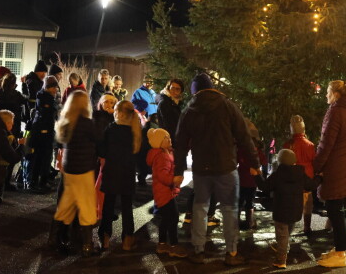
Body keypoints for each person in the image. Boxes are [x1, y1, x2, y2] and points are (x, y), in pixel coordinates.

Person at [173, 72, 259, 266]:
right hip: (226, 166)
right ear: (212, 86)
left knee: (200, 208)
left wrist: (178, 171)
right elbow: (244, 137)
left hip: (201, 169)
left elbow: (180, 143)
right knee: (229, 210)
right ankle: (232, 253)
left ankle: (198, 250)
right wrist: (254, 164)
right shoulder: (228, 106)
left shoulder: (190, 109)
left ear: (195, 92)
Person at [313, 80, 346, 269]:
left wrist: (316, 166)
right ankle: (341, 249)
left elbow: (326, 144)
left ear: (335, 93)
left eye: (327, 92)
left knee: (335, 211)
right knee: (341, 209)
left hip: (336, 168)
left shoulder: (335, 111)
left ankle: (341, 253)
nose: (326, 95)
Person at [53, 90, 100, 255]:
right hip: (84, 170)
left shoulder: (65, 123)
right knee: (86, 206)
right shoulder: (87, 123)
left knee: (67, 204)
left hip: (69, 169)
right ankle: (87, 245)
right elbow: (98, 141)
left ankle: (58, 240)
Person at [256, 148, 316, 269]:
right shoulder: (300, 173)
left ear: (280, 161)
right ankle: (284, 247)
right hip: (295, 211)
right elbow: (311, 185)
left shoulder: (277, 174)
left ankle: (280, 259)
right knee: (287, 232)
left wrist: (257, 175)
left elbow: (264, 187)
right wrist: (320, 177)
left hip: (281, 211)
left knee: (282, 234)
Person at [98, 99, 141, 252]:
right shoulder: (135, 132)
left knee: (108, 206)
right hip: (128, 173)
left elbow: (101, 151)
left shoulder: (111, 129)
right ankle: (128, 240)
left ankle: (105, 238)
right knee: (127, 207)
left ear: (121, 114)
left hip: (111, 172)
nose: (114, 112)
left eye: (116, 110)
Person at [147, 128, 190, 258]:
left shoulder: (166, 153)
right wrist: (173, 180)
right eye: (166, 138)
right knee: (173, 217)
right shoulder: (161, 156)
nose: (169, 139)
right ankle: (173, 245)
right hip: (164, 193)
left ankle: (162, 243)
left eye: (169, 137)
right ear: (159, 142)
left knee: (166, 218)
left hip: (164, 192)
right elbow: (162, 175)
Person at [282, 115, 316, 234]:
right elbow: (313, 161)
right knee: (308, 205)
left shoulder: (288, 145)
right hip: (307, 179)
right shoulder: (310, 145)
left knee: (292, 207)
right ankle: (307, 227)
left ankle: (288, 232)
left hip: (293, 180)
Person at [26, 76, 59, 193]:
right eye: (54, 87)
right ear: (48, 87)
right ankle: (37, 182)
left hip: (45, 132)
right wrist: (45, 130)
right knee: (41, 158)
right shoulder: (45, 98)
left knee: (43, 158)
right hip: (43, 133)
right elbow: (46, 115)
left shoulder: (45, 97)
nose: (56, 89)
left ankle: (39, 182)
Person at [238, 119, 266, 231]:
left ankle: (236, 222)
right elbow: (263, 161)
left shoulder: (241, 147)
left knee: (239, 201)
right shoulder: (259, 149)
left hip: (241, 179)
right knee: (250, 201)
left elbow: (236, 159)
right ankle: (250, 222)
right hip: (253, 180)